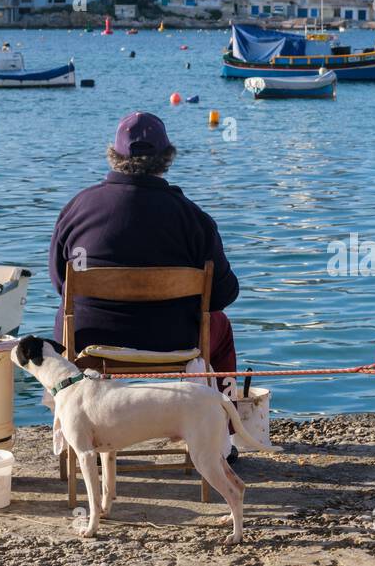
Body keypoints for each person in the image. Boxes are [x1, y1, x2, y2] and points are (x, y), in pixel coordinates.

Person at [48, 110, 240, 377]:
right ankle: (222, 416)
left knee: (65, 311)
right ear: (167, 158)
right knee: (221, 325)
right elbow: (223, 294)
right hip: (175, 345)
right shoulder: (192, 218)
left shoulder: (76, 209)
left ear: (114, 156)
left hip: (86, 344)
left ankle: (70, 414)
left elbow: (60, 283)